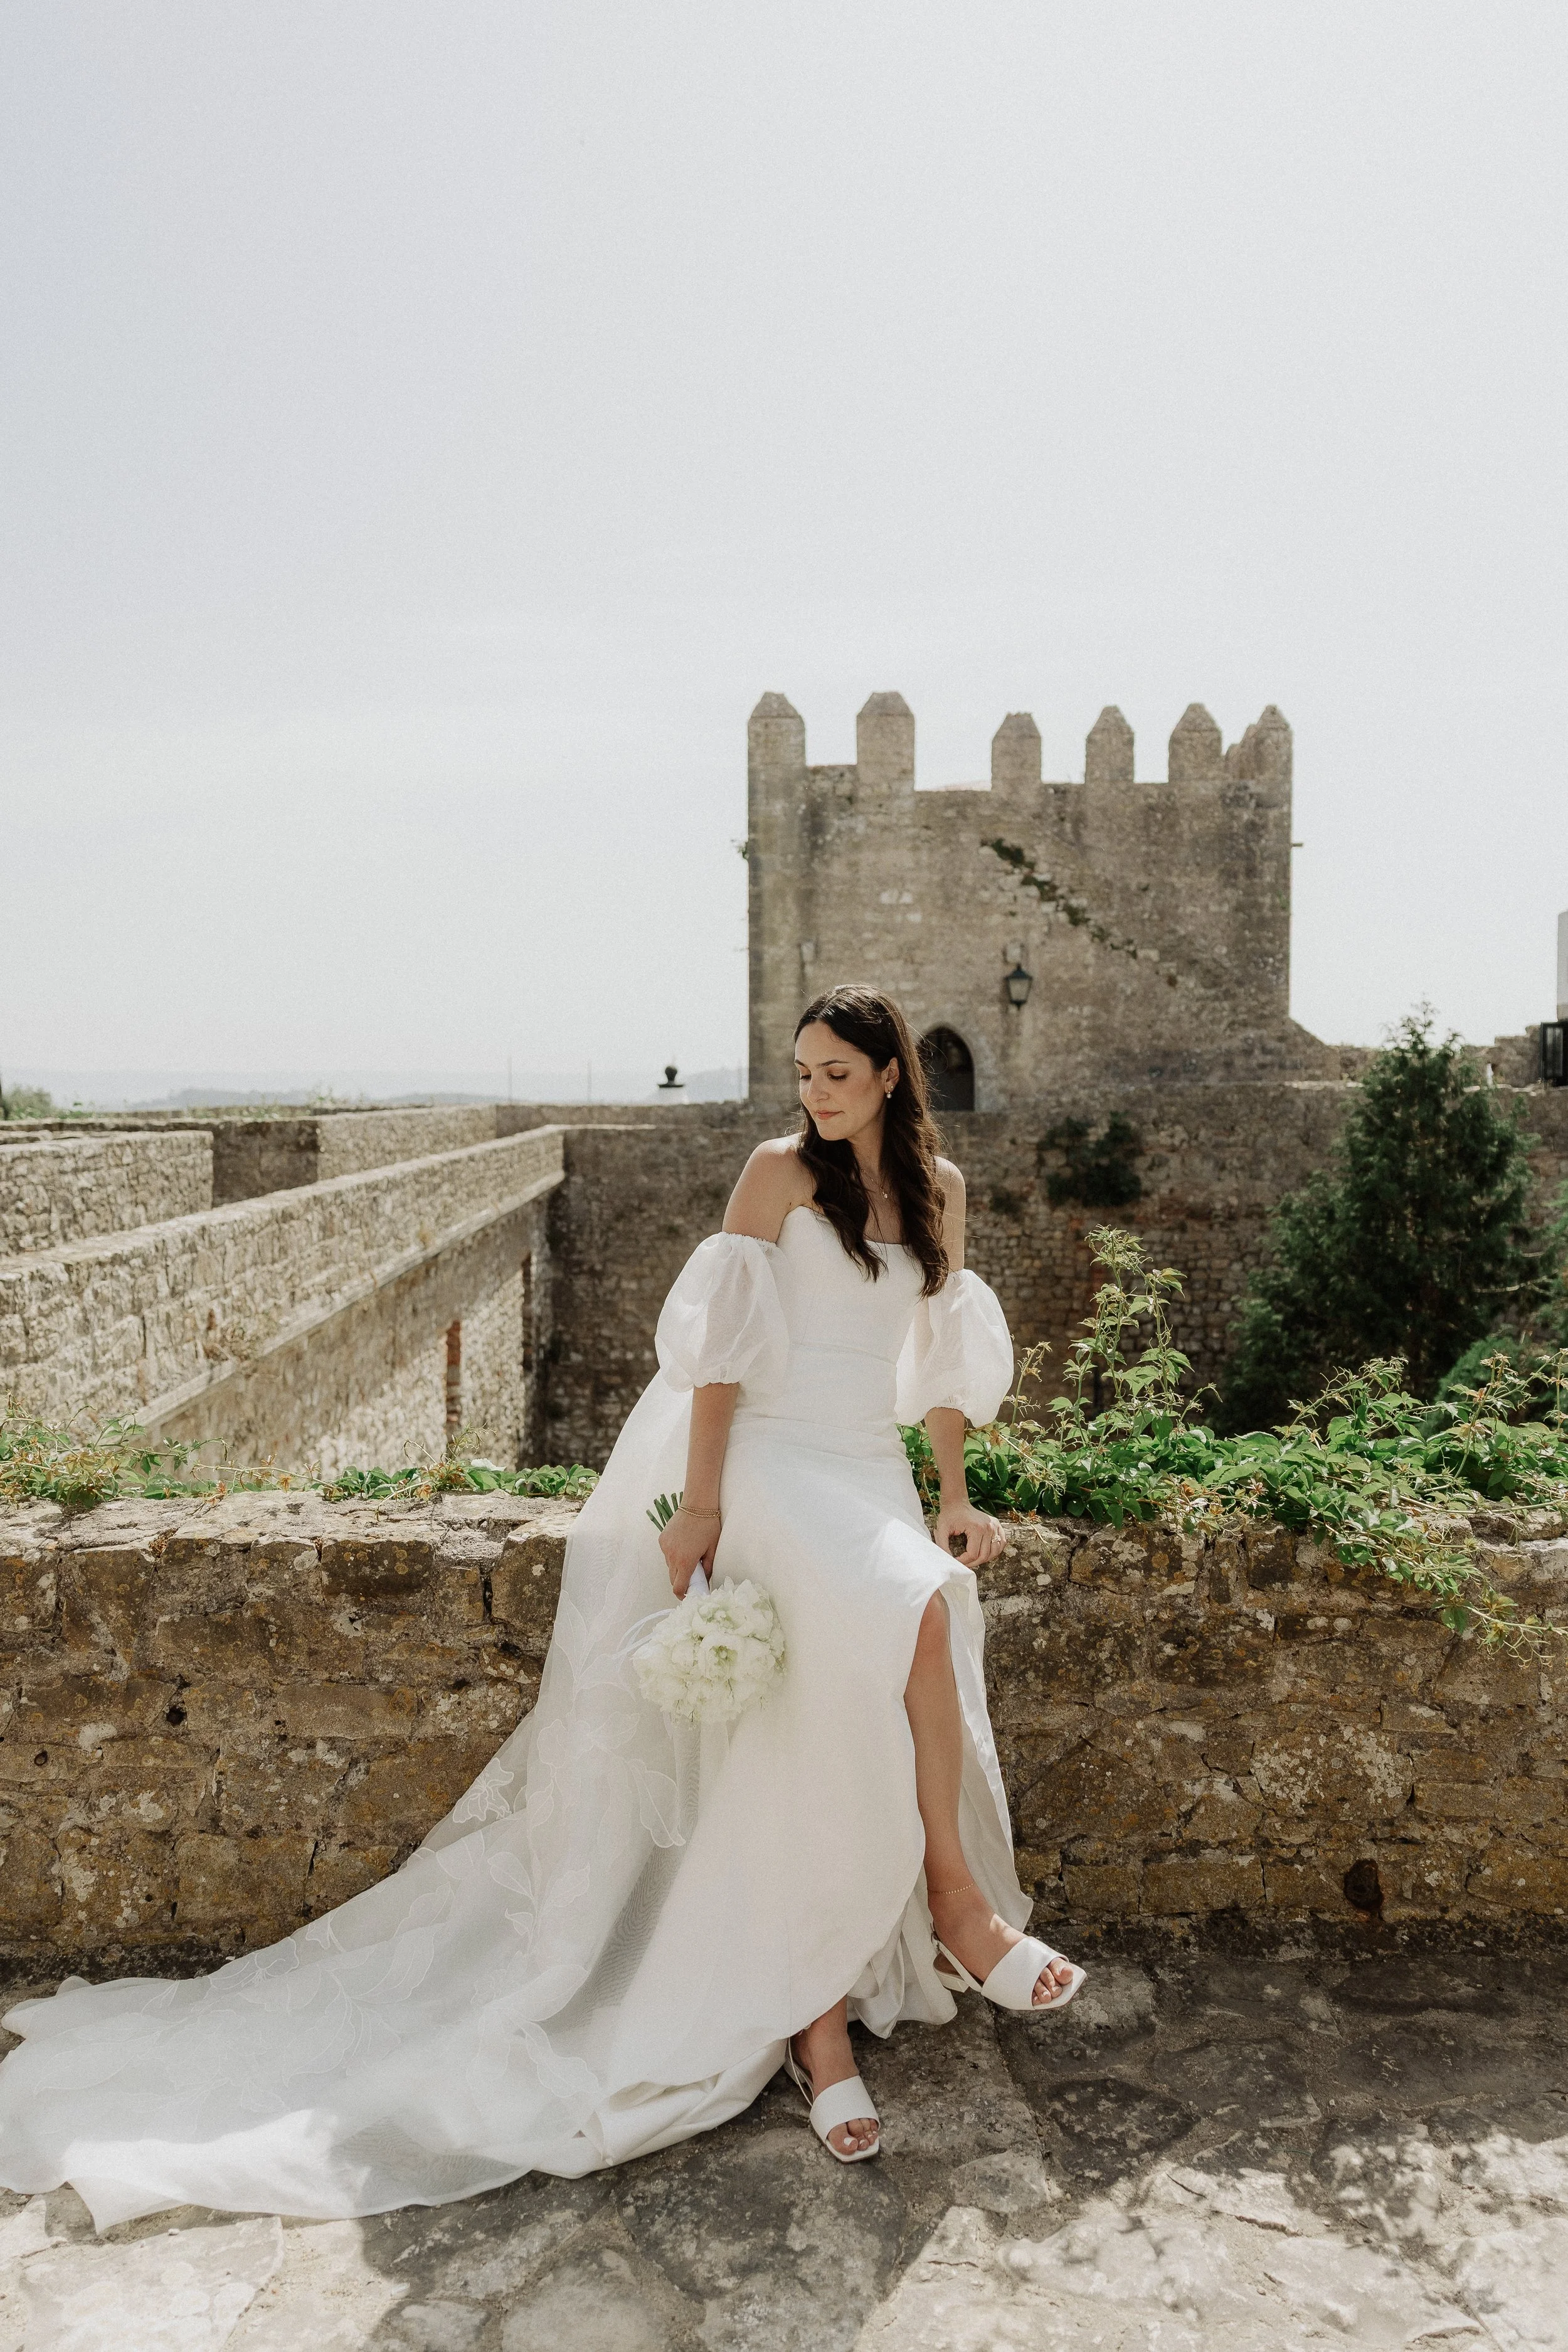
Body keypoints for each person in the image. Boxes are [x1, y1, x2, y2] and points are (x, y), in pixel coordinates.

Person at [0, 985, 1084, 2222]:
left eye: (837, 1072)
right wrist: (701, 1505)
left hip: (867, 1472)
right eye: (803, 1072)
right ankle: (937, 1924)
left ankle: (835, 1998)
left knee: (857, 1679)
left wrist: (954, 1496)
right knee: (920, 1610)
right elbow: (720, 1363)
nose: (815, 1093)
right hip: (777, 1466)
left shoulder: (940, 1191)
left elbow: (938, 1364)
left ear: (891, 1074)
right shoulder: (776, 1174)